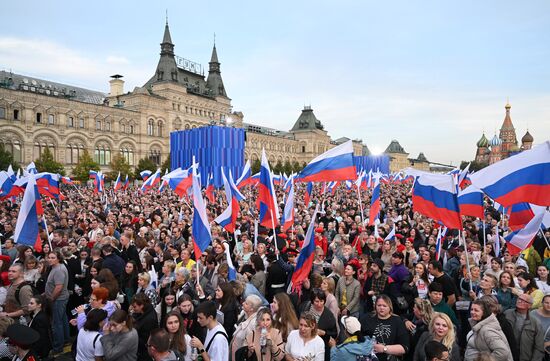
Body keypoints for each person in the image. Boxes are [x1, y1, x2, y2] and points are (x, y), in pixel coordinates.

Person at [361, 295, 409, 361]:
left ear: (390, 307)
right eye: (379, 305)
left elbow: (405, 348)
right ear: (375, 306)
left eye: (384, 306)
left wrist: (384, 349)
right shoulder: (366, 319)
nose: (381, 308)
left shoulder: (397, 321)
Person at [504, 293, 545, 361]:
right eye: (519, 299)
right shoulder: (507, 314)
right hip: (507, 355)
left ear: (529, 305)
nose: (520, 301)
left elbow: (539, 347)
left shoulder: (535, 323)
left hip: (525, 357)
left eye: (523, 300)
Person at [45, 250, 70, 355]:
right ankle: (65, 341)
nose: (50, 260)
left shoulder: (59, 269)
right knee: (62, 320)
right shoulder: (55, 267)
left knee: (57, 324)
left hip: (58, 300)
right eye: (49, 257)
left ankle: (58, 347)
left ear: (58, 259)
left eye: (53, 258)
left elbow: (58, 287)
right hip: (59, 299)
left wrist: (51, 298)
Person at [304, 289, 337, 360]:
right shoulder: (306, 307)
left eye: (321, 301)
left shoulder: (329, 316)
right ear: (312, 301)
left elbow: (334, 333)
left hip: (320, 347)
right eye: (316, 301)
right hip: (306, 344)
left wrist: (323, 333)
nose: (319, 304)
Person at [231, 294, 262, 361]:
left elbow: (249, 345)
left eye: (246, 303)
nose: (243, 303)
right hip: (235, 353)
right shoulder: (243, 313)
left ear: (251, 309)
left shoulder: (254, 324)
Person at [131, 293, 159, 361]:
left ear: (142, 306)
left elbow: (145, 341)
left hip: (144, 353)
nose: (133, 309)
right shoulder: (144, 312)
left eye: (135, 307)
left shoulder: (149, 319)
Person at [27, 295, 51, 359]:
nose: (28, 305)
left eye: (31, 303)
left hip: (40, 351)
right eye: (29, 303)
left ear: (39, 305)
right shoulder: (35, 315)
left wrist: (35, 352)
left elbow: (41, 338)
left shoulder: (39, 319)